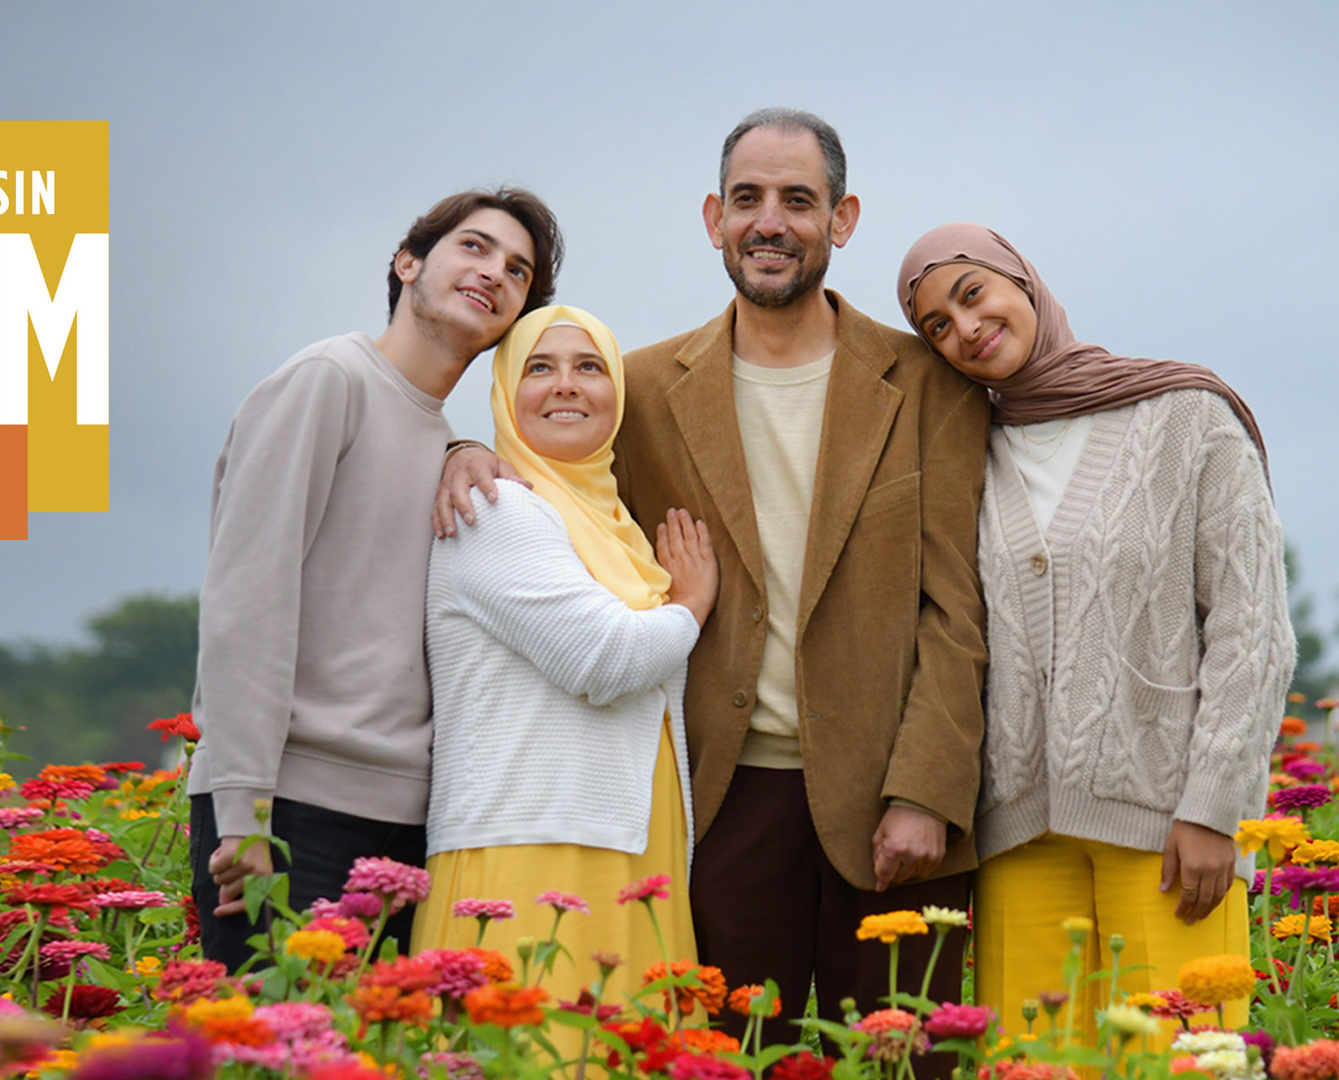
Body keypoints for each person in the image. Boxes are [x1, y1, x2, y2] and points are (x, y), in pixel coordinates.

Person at [439, 109, 989, 1047]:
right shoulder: (642, 390)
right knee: (724, 1061)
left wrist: (928, 791)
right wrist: (454, 448)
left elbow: (957, 605)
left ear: (843, 219)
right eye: (747, 200)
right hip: (720, 807)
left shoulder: (926, 379)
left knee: (909, 1062)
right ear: (714, 218)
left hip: (893, 808)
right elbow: (549, 459)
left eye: (797, 201)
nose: (769, 221)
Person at [898, 223, 1293, 1041]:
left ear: (1024, 281)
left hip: (1169, 834)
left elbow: (1253, 628)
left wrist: (1217, 809)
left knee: (1186, 1058)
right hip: (1018, 840)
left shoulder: (1187, 417)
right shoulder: (968, 448)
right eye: (936, 325)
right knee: (1031, 1064)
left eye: (972, 295)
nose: (964, 329)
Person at [186, 187, 563, 972]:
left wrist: (465, 448)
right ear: (408, 263)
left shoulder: (450, 445)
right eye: (475, 247)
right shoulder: (329, 379)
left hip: (412, 823)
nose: (494, 272)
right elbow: (245, 602)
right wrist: (244, 811)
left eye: (519, 271)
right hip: (291, 811)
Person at [411, 305, 718, 1008]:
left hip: (622, 846)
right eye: (538, 368)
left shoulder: (618, 528)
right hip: (531, 848)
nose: (566, 386)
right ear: (504, 391)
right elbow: (604, 659)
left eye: (590, 368)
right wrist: (691, 605)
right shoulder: (495, 508)